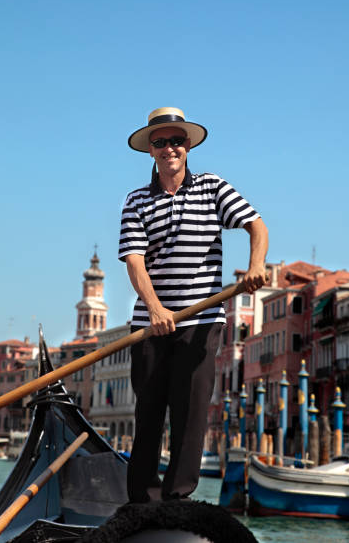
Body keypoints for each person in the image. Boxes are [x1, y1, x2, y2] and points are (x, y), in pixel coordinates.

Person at [118, 107, 268, 503]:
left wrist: (255, 266)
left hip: (202, 320)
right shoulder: (135, 200)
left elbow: (256, 225)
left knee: (190, 413)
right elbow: (135, 260)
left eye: (177, 140)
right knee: (149, 411)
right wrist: (155, 309)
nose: (170, 148)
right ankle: (142, 502)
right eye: (161, 142)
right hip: (151, 324)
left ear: (188, 146)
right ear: (150, 150)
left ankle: (177, 500)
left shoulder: (213, 187)